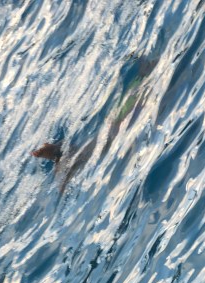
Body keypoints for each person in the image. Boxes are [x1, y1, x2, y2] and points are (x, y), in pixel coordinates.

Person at [32, 55, 158, 191]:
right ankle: (58, 153)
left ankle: (59, 153)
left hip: (116, 122)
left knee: (93, 147)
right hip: (117, 121)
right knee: (94, 147)